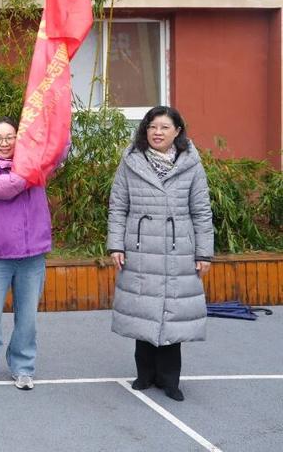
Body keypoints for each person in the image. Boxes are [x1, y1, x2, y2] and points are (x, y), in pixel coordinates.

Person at [107, 106, 213, 402]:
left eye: (165, 127)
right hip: (140, 248)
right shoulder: (131, 160)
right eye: (152, 126)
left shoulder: (191, 163)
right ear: (145, 130)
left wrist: (204, 253)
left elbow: (201, 210)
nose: (157, 132)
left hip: (179, 250)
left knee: (172, 314)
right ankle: (144, 374)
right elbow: (118, 206)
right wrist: (116, 245)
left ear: (177, 131)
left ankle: (170, 380)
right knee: (143, 311)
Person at [0, 116, 60, 392]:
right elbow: (4, 188)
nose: (4, 142)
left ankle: (23, 367)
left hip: (32, 256)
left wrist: (60, 124)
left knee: (28, 318)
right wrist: (32, 170)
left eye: (10, 137)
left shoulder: (35, 165)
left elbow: (59, 150)